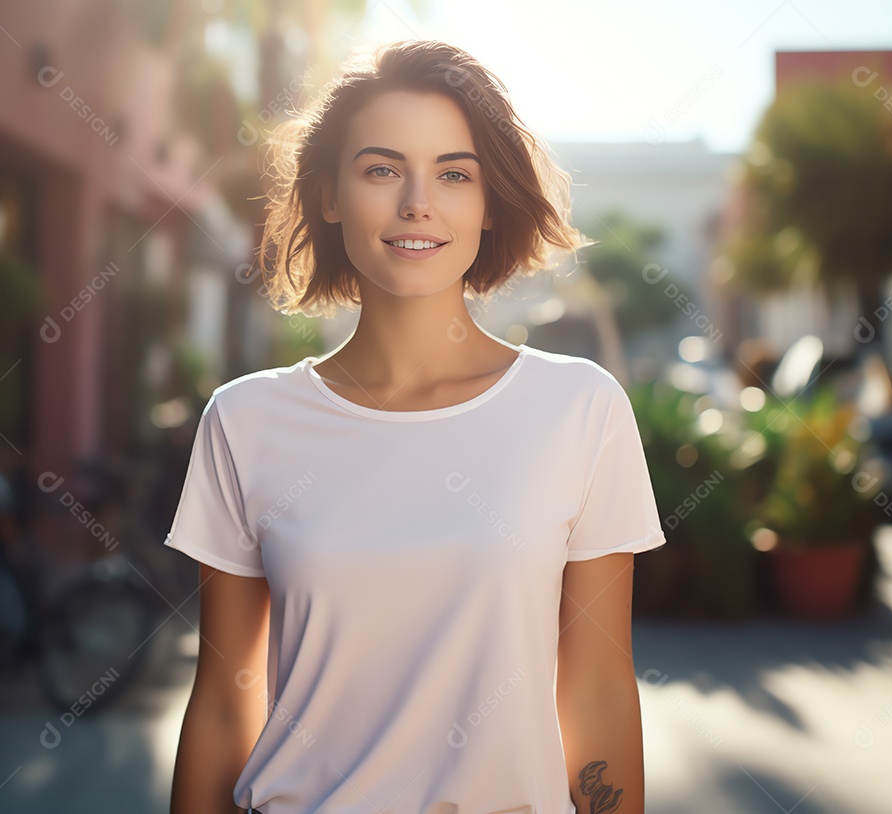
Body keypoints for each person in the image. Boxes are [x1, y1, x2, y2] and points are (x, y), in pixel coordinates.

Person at [164, 39, 667, 814]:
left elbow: (598, 693)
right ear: (330, 195)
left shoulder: (580, 409)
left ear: (490, 203)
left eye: (455, 174)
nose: (417, 203)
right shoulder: (245, 421)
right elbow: (224, 705)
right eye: (381, 169)